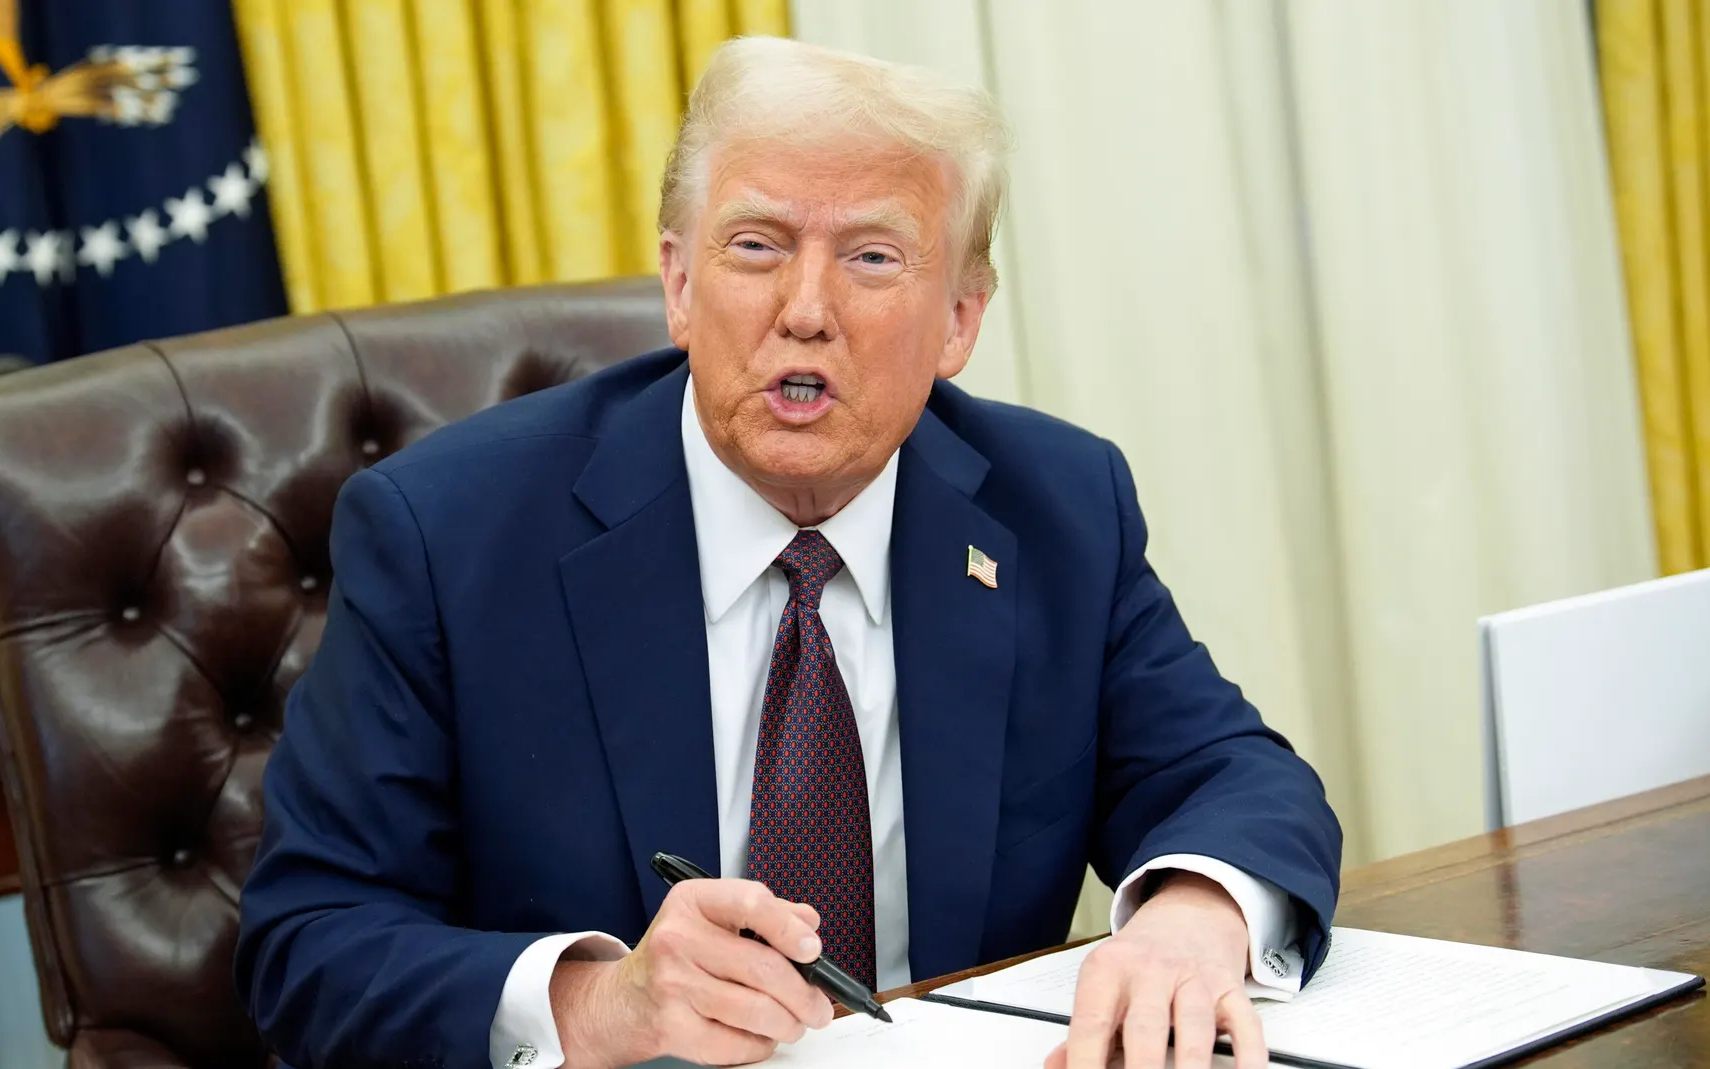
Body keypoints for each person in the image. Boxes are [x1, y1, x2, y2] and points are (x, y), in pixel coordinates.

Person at [236, 37, 1341, 1069]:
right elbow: (308, 944)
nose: (804, 311)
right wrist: (596, 1003)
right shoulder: (446, 534)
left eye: (870, 256)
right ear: (678, 283)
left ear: (959, 319)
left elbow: (1234, 776)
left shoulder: (1054, 506)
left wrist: (1194, 915)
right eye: (756, 246)